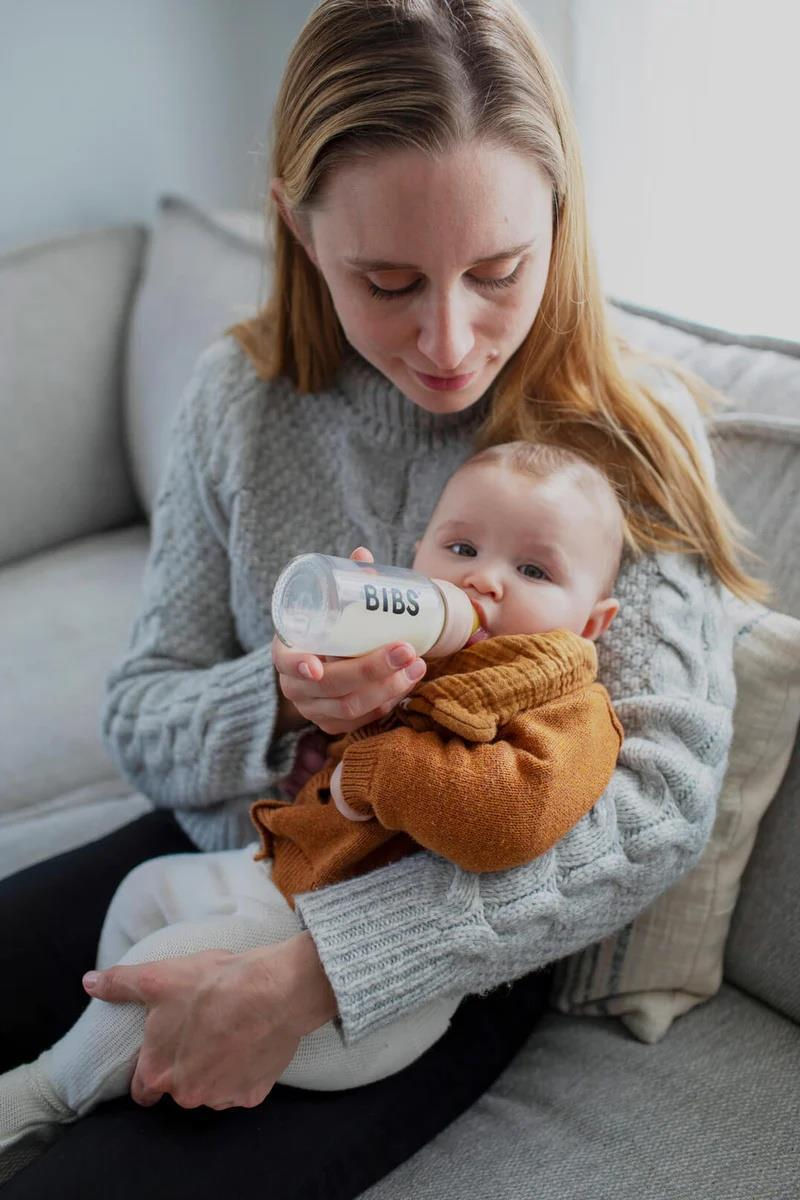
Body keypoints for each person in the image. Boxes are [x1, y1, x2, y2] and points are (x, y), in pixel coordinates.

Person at [0, 0, 762, 1195]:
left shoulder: (623, 446)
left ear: (560, 222)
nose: (448, 340)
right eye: (388, 280)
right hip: (244, 847)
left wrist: (324, 971)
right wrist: (285, 696)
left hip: (442, 948)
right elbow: (141, 715)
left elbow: (654, 808)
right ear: (299, 231)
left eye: (497, 271)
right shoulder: (238, 400)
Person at [0, 440, 626, 1181]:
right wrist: (313, 682)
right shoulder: (406, 651)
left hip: (374, 968)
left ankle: (40, 1098)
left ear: (592, 623)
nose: (483, 580)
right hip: (287, 875)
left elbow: (508, 822)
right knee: (147, 891)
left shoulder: (567, 709)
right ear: (415, 558)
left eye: (533, 571)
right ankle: (137, 1059)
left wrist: (374, 767)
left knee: (166, 959)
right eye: (461, 548)